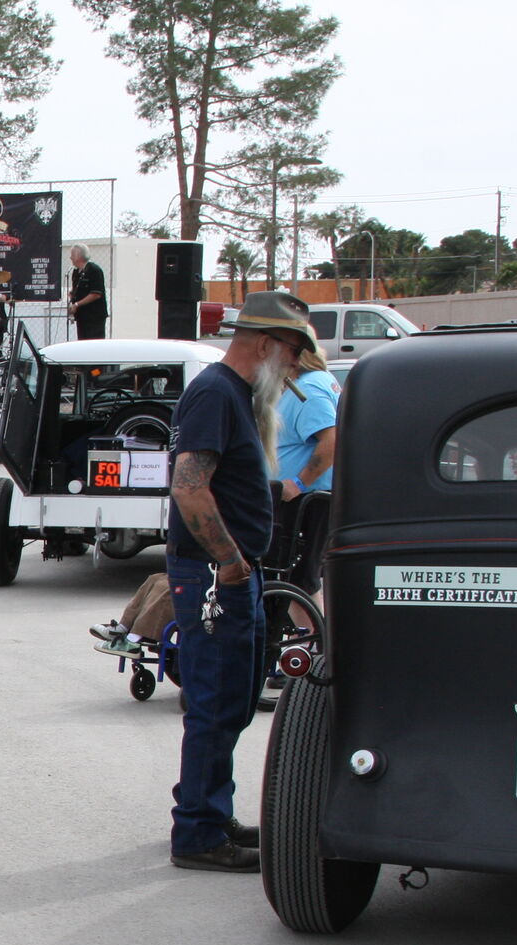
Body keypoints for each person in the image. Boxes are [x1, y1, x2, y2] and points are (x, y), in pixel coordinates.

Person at [161, 290, 313, 872]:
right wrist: (226, 558)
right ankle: (198, 833)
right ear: (268, 343)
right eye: (294, 351)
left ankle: (209, 813)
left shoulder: (234, 396)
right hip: (213, 572)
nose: (296, 366)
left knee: (236, 698)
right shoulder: (215, 393)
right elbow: (189, 485)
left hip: (228, 570)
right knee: (217, 701)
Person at [274, 336, 338, 596]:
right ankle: (313, 633)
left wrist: (299, 482)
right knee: (302, 577)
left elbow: (331, 440)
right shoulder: (315, 383)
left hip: (305, 498)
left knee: (299, 578)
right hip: (308, 496)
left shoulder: (307, 390)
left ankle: (316, 634)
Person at [67, 246, 107, 340]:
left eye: (72, 255)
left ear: (78, 256)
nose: (70, 258)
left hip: (94, 317)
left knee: (93, 342)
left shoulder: (94, 270)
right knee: (82, 340)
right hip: (82, 316)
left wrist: (77, 304)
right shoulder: (76, 272)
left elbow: (96, 294)